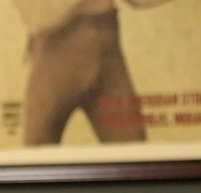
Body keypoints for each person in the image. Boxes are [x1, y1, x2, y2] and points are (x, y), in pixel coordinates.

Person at [14, 0, 174, 146]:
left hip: (108, 58)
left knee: (135, 155)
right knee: (37, 157)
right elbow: (37, 19)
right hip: (54, 67)